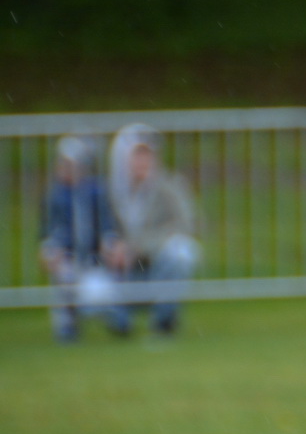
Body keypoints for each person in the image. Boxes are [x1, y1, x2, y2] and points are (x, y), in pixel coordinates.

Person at [109, 124, 201, 335]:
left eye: (148, 155)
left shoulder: (170, 186)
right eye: (137, 155)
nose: (144, 162)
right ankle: (116, 320)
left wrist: (138, 248)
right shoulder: (111, 191)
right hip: (121, 268)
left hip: (154, 263)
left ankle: (163, 321)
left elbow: (187, 224)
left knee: (182, 252)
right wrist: (113, 248)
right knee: (93, 289)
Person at [39, 135, 131, 342]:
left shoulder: (97, 192)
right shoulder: (55, 195)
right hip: (69, 259)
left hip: (94, 261)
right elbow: (48, 232)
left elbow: (108, 227)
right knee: (64, 275)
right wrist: (50, 252)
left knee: (102, 291)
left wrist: (112, 245)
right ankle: (67, 325)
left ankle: (119, 317)